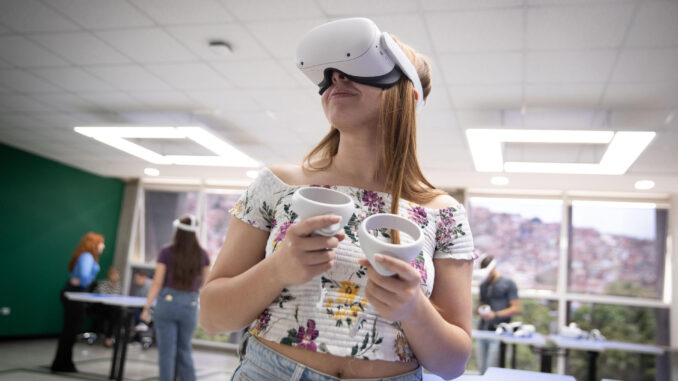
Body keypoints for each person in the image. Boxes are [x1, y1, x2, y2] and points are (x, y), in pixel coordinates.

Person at [199, 17, 476, 381]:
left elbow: (453, 365)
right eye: (330, 75)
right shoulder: (277, 186)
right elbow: (213, 316)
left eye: (358, 68)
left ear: (407, 96)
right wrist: (279, 268)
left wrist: (414, 309)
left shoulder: (444, 216)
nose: (336, 79)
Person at [140, 215, 211, 381]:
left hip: (167, 305)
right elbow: (206, 284)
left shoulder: (166, 251)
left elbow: (157, 282)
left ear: (178, 230)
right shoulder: (203, 255)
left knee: (166, 353)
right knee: (184, 351)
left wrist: (146, 307)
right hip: (190, 305)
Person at [51, 232, 105, 373]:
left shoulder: (86, 256)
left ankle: (63, 362)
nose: (103, 246)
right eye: (101, 243)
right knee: (70, 330)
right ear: (94, 244)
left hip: (76, 293)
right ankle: (62, 364)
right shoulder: (87, 256)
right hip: (75, 294)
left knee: (70, 330)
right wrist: (83, 282)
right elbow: (84, 276)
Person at [475, 255, 521, 374]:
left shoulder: (508, 284)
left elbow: (515, 308)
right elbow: (480, 304)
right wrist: (479, 310)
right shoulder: (483, 286)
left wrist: (495, 315)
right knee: (481, 369)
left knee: (492, 369)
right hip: (482, 331)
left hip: (498, 332)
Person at [93, 266, 122, 347]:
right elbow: (103, 297)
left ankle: (112, 336)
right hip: (100, 307)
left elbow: (118, 296)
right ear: (110, 275)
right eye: (115, 274)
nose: (117, 277)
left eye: (118, 275)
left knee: (117, 311)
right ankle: (108, 338)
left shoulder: (118, 285)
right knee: (114, 312)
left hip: (111, 308)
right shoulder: (103, 284)